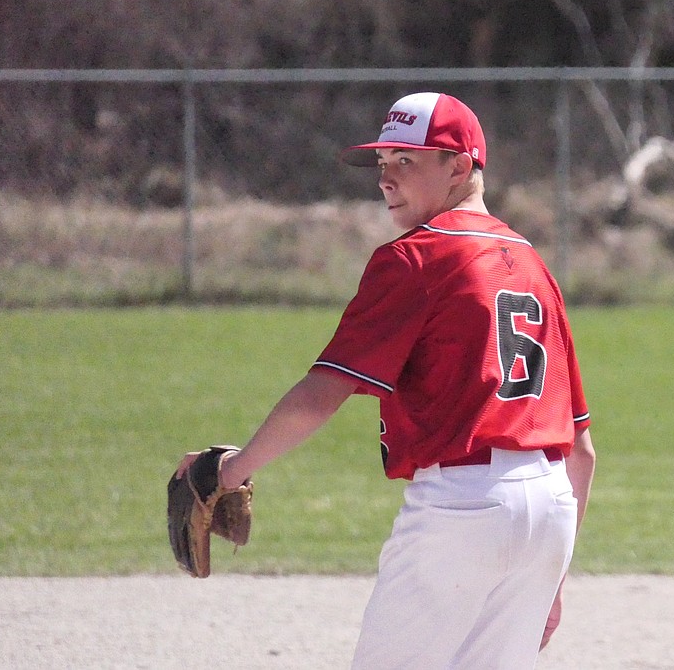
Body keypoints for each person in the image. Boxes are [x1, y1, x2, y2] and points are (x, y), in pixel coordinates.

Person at [175, 91, 596, 668]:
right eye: (382, 164)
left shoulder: (415, 259)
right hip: (551, 508)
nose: (386, 179)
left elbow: (324, 391)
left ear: (460, 165)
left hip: (461, 511)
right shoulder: (532, 263)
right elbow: (583, 450)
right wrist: (554, 574)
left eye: (406, 160)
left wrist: (229, 471)